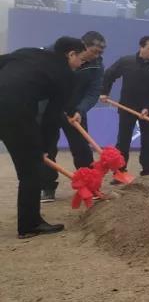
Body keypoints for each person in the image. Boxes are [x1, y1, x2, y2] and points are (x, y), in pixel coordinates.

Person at [0, 36, 85, 238]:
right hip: (16, 112)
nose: (81, 64)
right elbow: (51, 116)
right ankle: (30, 225)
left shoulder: (28, 51)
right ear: (71, 54)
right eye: (81, 59)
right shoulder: (66, 75)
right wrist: (44, 148)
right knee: (31, 170)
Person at [41, 31, 107, 202]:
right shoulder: (54, 53)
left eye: (100, 53)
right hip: (50, 108)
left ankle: (90, 185)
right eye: (94, 51)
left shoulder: (97, 65)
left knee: (82, 148)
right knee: (47, 148)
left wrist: (80, 110)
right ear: (82, 46)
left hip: (74, 111)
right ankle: (48, 187)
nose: (97, 56)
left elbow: (93, 92)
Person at [101, 36, 149, 176]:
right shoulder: (126, 61)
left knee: (147, 141)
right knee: (123, 140)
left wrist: (147, 107)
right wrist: (104, 92)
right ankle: (120, 171)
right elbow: (109, 75)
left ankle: (147, 170)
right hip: (127, 107)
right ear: (141, 47)